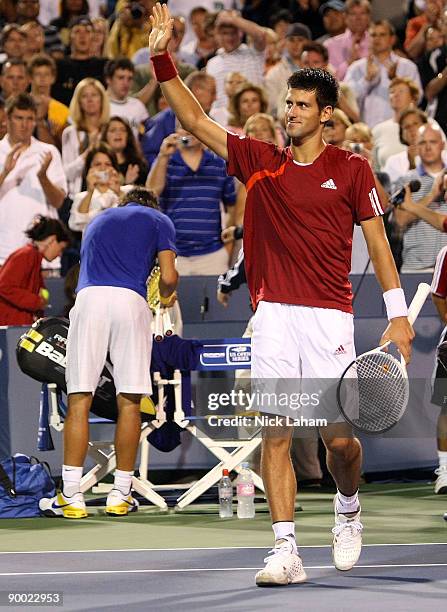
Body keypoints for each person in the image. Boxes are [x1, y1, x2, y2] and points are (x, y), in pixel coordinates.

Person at [148, 3, 414, 585]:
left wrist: (397, 317)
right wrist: (162, 56)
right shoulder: (259, 161)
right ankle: (285, 549)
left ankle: (348, 509)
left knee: (339, 441)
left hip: (329, 317)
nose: (288, 112)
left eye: (299, 106)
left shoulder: (352, 170)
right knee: (276, 427)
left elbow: (379, 244)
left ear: (325, 116)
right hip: (272, 314)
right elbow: (194, 120)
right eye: (286, 104)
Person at [39, 186, 178, 519]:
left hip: (89, 302)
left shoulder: (98, 221)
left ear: (123, 204)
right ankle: (120, 493)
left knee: (79, 398)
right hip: (130, 302)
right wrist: (167, 295)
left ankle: (71, 494)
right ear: (152, 206)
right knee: (129, 399)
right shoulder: (160, 220)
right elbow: (169, 277)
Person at [147, 122, 236, 275]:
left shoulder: (219, 163)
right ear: (175, 131)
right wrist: (163, 156)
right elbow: (152, 192)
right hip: (174, 255)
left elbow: (232, 206)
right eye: (183, 126)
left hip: (212, 255)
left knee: (218, 299)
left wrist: (226, 249)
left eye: (191, 125)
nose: (188, 130)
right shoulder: (165, 161)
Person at [0, 93, 67, 267]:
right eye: (19, 118)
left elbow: (59, 201)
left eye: (30, 119)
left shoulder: (49, 152)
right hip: (3, 251)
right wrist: (5, 172)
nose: (25, 125)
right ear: (7, 118)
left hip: (42, 253)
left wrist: (43, 177)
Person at [344, 20, 421, 129]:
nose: (377, 39)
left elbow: (417, 97)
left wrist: (396, 81)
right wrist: (366, 81)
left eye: (382, 35)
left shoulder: (407, 67)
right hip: (367, 131)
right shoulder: (356, 68)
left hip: (398, 128)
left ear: (392, 39)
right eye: (373, 35)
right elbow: (348, 100)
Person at [393, 123, 447, 272]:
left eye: (433, 142)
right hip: (416, 267)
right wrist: (432, 195)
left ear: (442, 145)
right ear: (416, 147)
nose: (428, 147)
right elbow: (400, 220)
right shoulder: (406, 181)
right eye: (423, 142)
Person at [0, 216, 69, 325]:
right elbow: (4, 286)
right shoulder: (26, 255)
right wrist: (36, 302)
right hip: (10, 327)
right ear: (52, 240)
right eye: (61, 248)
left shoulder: (33, 256)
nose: (59, 254)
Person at [62, 77, 110, 198]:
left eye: (94, 95)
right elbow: (67, 174)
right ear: (78, 102)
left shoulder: (110, 130)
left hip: (107, 196)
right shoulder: (70, 133)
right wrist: (88, 153)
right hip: (77, 197)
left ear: (102, 99)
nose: (90, 100)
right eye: (84, 96)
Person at [68, 143, 130, 233]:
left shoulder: (126, 192)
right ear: (89, 168)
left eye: (108, 164)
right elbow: (76, 224)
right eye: (97, 164)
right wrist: (90, 192)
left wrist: (118, 192)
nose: (103, 168)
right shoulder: (81, 197)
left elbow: (136, 215)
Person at [105, 58, 149, 138]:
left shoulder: (138, 106)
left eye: (129, 79)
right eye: (121, 78)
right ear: (108, 79)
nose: (126, 83)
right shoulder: (99, 105)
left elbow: (145, 133)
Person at [101, 116, 148, 185]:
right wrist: (127, 184)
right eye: (113, 130)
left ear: (128, 136)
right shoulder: (100, 165)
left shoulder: (137, 165)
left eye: (123, 130)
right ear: (105, 136)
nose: (118, 133)